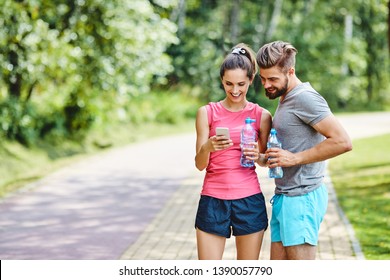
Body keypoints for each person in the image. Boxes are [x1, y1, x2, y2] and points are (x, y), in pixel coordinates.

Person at [256, 41, 353, 260]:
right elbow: (287, 151)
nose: (266, 85)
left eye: (272, 79)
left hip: (302, 198)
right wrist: (262, 157)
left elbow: (342, 141)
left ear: (290, 72)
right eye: (262, 78)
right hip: (285, 196)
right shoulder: (286, 96)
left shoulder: (305, 98)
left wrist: (295, 158)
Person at [194, 43, 272, 260]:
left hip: (249, 200)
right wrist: (207, 147)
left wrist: (257, 156)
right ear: (222, 81)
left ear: (250, 80)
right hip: (212, 200)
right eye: (229, 84)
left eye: (241, 84)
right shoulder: (206, 113)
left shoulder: (261, 115)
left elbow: (265, 161)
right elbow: (200, 164)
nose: (235, 90)